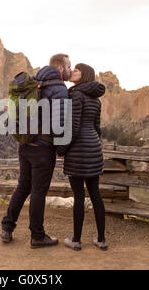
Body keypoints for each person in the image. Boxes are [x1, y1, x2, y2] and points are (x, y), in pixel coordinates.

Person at [1, 54, 70, 248]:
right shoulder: (59, 90)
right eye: (69, 66)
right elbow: (60, 123)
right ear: (60, 68)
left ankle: (7, 227)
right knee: (38, 191)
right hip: (43, 148)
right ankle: (37, 236)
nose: (70, 70)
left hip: (25, 145)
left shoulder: (33, 84)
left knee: (23, 187)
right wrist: (61, 148)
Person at [56, 63, 108, 251]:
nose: (73, 72)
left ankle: (76, 240)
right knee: (95, 195)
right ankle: (101, 240)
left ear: (84, 75)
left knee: (79, 197)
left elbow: (74, 127)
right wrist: (92, 145)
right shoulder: (96, 99)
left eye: (77, 70)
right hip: (94, 149)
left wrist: (61, 149)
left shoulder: (76, 94)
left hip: (78, 151)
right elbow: (97, 128)